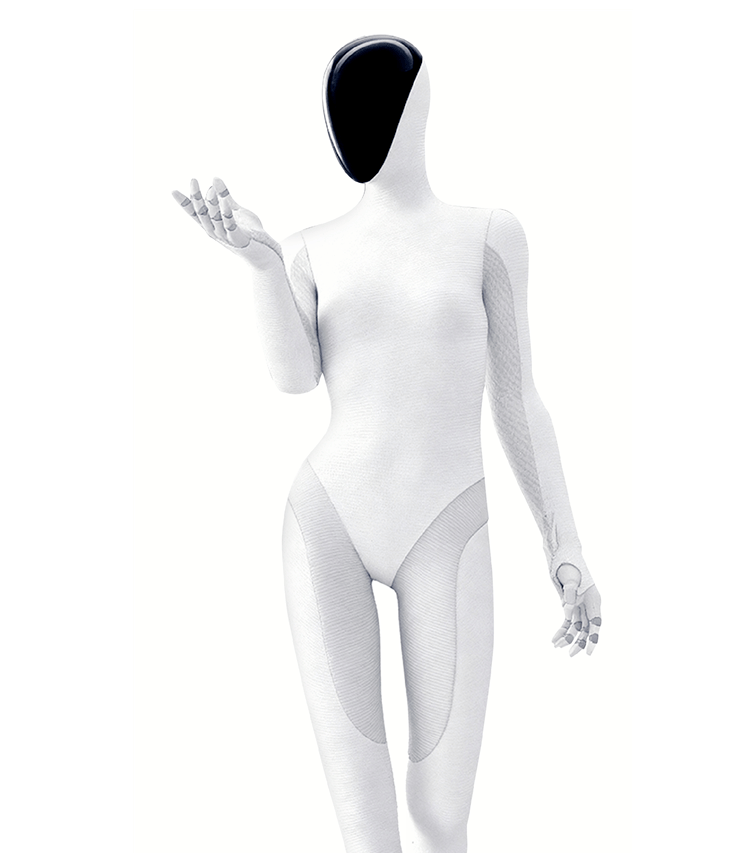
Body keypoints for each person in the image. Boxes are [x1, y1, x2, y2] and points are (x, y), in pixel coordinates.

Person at [173, 34, 602, 853]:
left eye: (371, 103)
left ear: (417, 107)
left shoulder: (488, 234)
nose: (353, 123)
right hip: (326, 522)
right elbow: (293, 380)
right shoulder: (307, 246)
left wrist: (564, 542)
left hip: (447, 524)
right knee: (365, 831)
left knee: (441, 814)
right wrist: (262, 267)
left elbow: (517, 396)